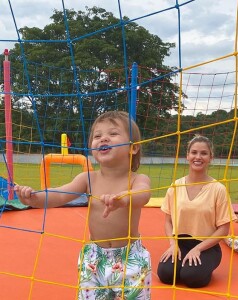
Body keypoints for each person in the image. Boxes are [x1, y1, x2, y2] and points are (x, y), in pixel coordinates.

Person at [14, 111, 152, 300]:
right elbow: (60, 194)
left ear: (133, 148)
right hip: (94, 258)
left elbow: (143, 194)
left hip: (130, 258)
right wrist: (34, 199)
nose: (103, 138)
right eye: (97, 136)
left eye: (113, 134)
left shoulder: (137, 179)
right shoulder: (88, 178)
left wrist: (124, 199)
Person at [157, 134, 237, 288]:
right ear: (187, 156)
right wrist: (172, 244)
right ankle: (186, 262)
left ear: (210, 157)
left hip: (206, 246)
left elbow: (224, 229)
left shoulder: (218, 189)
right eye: (194, 152)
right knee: (166, 275)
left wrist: (198, 249)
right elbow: (168, 221)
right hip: (180, 244)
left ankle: (206, 267)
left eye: (203, 153)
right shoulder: (176, 186)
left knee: (192, 277)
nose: (198, 157)